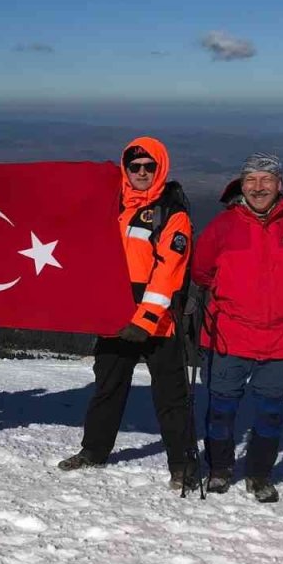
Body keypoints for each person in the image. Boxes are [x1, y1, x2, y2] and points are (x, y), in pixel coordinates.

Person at [59, 137, 200, 492]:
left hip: (157, 322)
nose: (140, 173)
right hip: (113, 316)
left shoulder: (172, 213)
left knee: (171, 396)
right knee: (107, 388)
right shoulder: (112, 203)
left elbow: (169, 273)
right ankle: (93, 451)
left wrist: (145, 320)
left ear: (160, 169)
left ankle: (183, 465)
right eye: (134, 166)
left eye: (148, 167)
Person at [190, 153, 283, 502]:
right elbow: (201, 272)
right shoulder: (223, 227)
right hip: (229, 334)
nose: (258, 187)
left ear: (280, 184)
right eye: (251, 180)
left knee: (270, 414)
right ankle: (220, 469)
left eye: (266, 179)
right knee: (221, 411)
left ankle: (259, 475)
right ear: (241, 184)